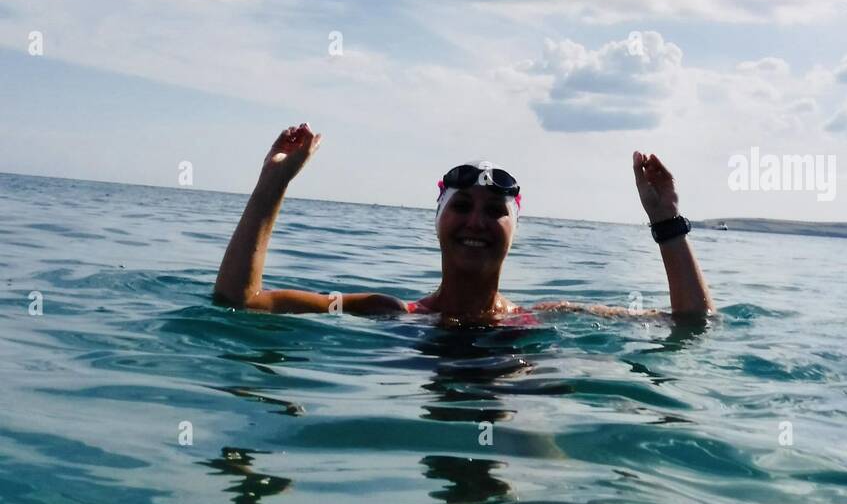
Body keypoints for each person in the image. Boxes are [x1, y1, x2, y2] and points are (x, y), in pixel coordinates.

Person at [213, 124, 715, 324]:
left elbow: (692, 323)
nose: (477, 220)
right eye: (461, 206)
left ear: (513, 230)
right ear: (437, 221)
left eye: (496, 210)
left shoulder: (541, 318)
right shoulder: (391, 313)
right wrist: (271, 186)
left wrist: (666, 219)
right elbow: (243, 302)